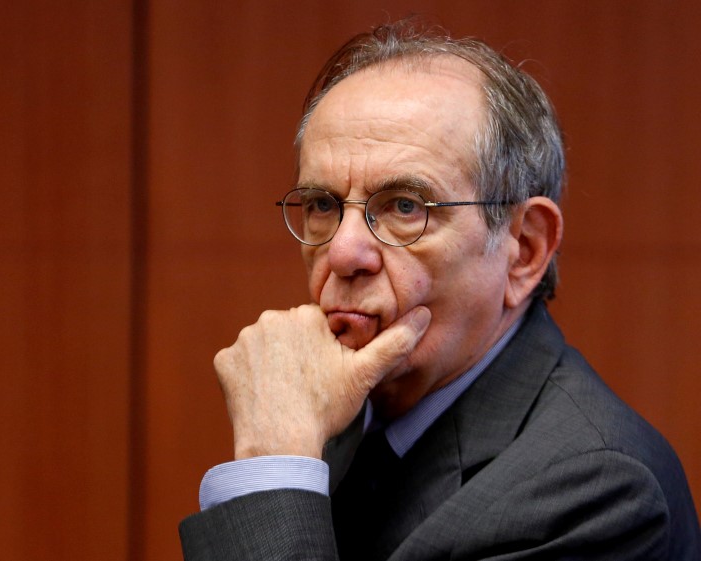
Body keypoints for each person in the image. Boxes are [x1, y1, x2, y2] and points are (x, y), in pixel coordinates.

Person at [179, 20, 701, 560]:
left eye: (406, 207)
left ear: (523, 249)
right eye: (323, 206)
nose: (343, 253)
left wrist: (274, 469)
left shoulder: (599, 491)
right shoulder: (334, 410)